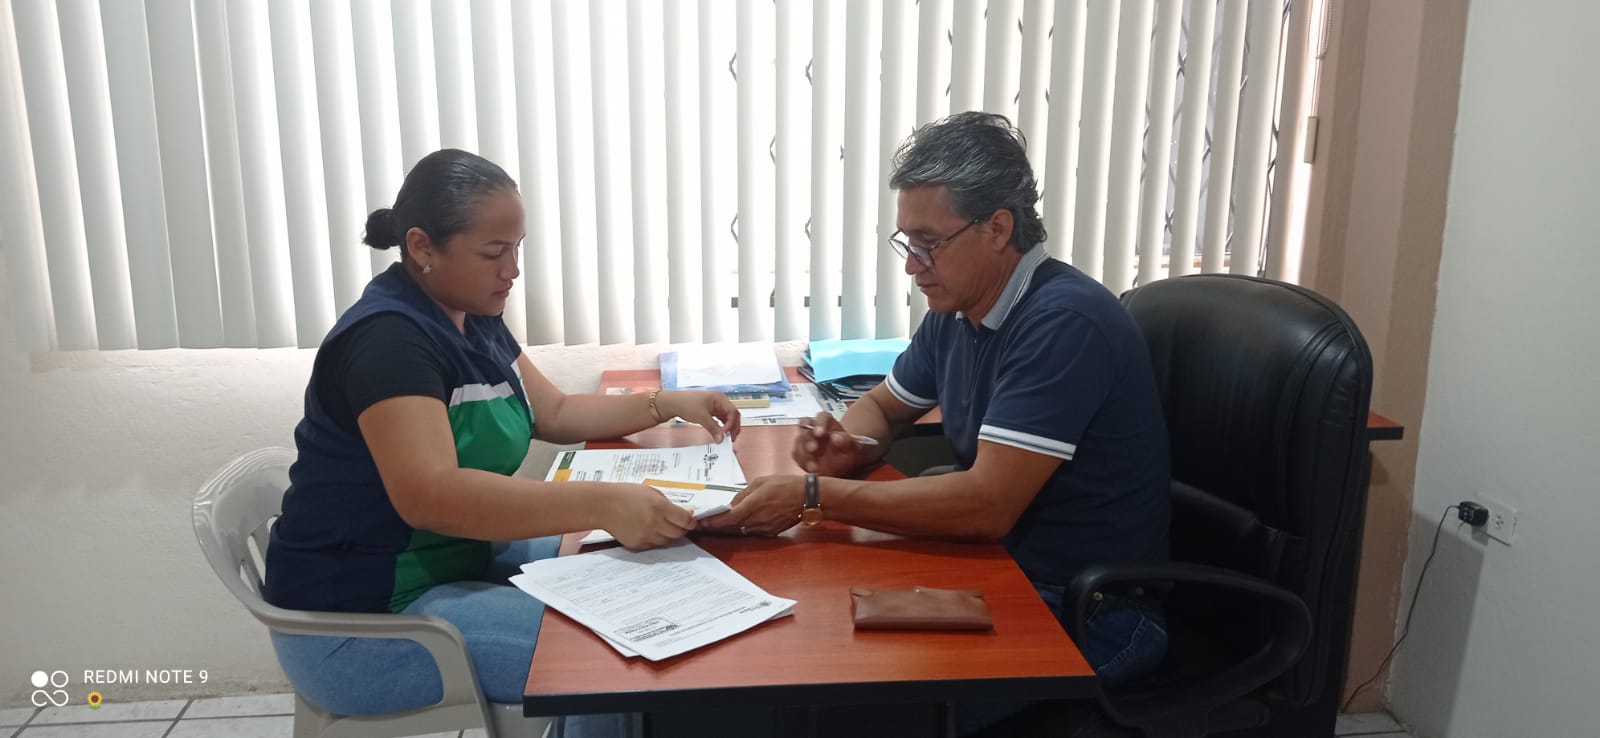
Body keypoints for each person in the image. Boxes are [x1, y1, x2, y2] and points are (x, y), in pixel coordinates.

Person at [709, 112, 1171, 734]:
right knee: (813, 645)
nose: (912, 265)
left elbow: (987, 505)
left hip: (1091, 609)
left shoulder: (1064, 323)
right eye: (906, 242)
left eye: (928, 242)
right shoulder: (958, 312)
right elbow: (883, 407)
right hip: (1001, 570)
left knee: (860, 707)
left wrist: (815, 495)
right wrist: (853, 444)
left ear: (998, 229)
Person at [262, 148, 740, 730]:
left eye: (517, 248)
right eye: (494, 253)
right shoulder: (388, 343)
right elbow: (431, 496)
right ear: (422, 247)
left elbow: (555, 412)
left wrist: (667, 404)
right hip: (363, 620)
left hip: (451, 561)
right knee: (614, 656)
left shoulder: (472, 314)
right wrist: (604, 503)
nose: (512, 269)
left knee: (646, 570)